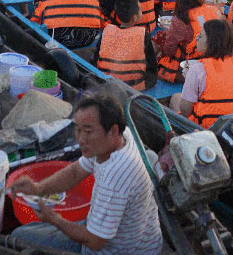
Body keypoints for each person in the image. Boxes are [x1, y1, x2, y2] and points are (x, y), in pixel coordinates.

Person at [10, 91, 163, 255]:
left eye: (88, 132)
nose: (81, 139)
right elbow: (75, 171)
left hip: (117, 250)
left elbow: (95, 242)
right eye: (78, 130)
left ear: (112, 131)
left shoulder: (115, 176)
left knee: (18, 236)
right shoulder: (122, 136)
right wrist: (37, 188)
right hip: (135, 236)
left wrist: (54, 219)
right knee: (33, 228)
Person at [170, 18, 233, 128]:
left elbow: (185, 110)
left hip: (207, 129)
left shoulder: (198, 69)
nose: (196, 38)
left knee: (176, 98)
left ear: (211, 42)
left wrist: (189, 82)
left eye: (200, 36)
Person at [157, 0, 222, 83]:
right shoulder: (215, 11)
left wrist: (169, 34)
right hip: (213, 57)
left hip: (190, 61)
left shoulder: (182, 18)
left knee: (159, 40)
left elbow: (169, 49)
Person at [96, 0, 157, 91]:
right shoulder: (142, 34)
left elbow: (96, 58)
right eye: (140, 10)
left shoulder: (107, 31)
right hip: (134, 85)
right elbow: (152, 65)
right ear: (135, 17)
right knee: (152, 74)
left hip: (107, 82)